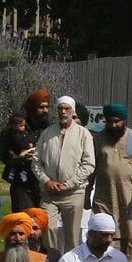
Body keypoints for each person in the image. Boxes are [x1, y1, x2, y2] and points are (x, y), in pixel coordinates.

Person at [36, 96, 97, 248]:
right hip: (49, 193)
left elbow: (89, 164)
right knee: (48, 228)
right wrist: (46, 181)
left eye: (67, 109)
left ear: (72, 111)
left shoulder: (83, 134)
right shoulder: (47, 133)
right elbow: (36, 161)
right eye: (60, 109)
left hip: (73, 193)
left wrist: (69, 184)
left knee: (72, 235)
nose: (63, 112)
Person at [92, 103, 132, 249]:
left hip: (128, 194)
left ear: (124, 120)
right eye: (110, 121)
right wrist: (87, 195)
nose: (113, 125)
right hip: (104, 195)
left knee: (129, 233)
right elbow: (92, 167)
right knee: (103, 232)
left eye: (116, 121)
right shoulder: (98, 139)